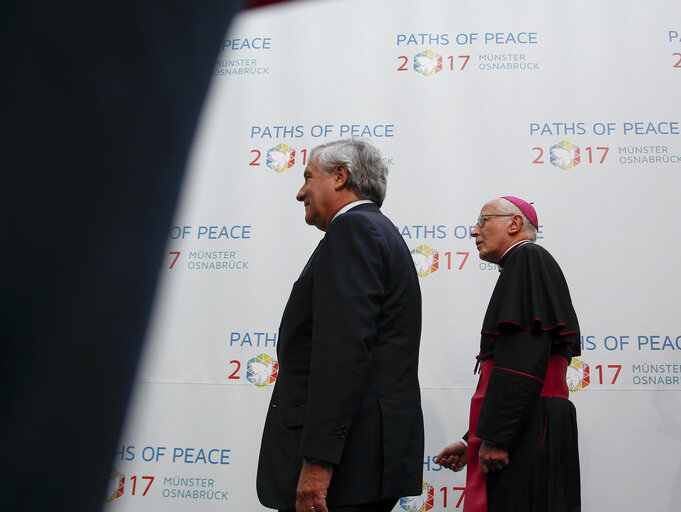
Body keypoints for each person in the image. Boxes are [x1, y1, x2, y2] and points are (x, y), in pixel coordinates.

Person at [257, 139, 424, 512]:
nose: (300, 192)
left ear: (340, 176)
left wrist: (318, 462)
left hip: (347, 465)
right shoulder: (376, 231)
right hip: (364, 457)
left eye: (307, 177)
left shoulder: (354, 231)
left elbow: (342, 353)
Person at [435, 197, 581, 512]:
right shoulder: (523, 265)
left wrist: (498, 437)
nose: (474, 232)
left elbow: (523, 362)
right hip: (527, 422)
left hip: (527, 430)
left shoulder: (527, 258)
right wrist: (469, 439)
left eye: (483, 221)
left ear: (513, 224)